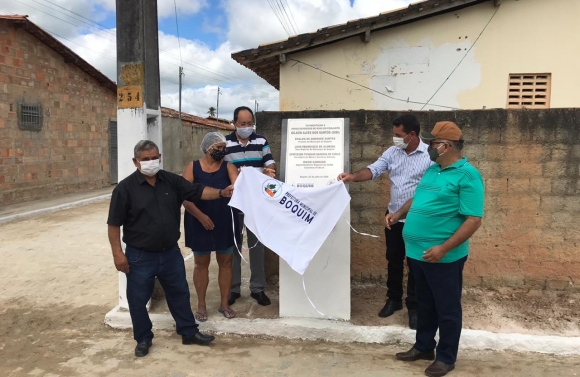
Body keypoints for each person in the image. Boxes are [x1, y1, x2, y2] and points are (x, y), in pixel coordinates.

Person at [107, 140, 234, 357]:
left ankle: (188, 332)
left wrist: (222, 193)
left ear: (160, 157)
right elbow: (113, 224)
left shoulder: (171, 181)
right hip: (139, 256)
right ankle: (144, 339)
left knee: (179, 293)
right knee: (137, 300)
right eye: (145, 159)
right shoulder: (125, 189)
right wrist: (118, 253)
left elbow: (198, 191)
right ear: (136, 162)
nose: (150, 162)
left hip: (170, 253)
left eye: (154, 157)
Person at [387, 121, 484, 377]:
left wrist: (443, 248)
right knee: (425, 304)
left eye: (432, 142)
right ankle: (424, 347)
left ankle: (446, 357)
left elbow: (473, 219)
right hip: (417, 253)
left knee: (447, 308)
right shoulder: (433, 170)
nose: (428, 146)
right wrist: (398, 214)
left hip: (444, 257)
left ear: (446, 146)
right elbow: (417, 197)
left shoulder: (468, 175)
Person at [337, 114, 432, 329]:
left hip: (419, 219)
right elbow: (374, 169)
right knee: (394, 259)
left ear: (412, 134)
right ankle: (394, 299)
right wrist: (352, 176)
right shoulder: (392, 153)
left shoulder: (429, 156)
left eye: (398, 135)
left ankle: (414, 306)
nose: (394, 138)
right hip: (393, 217)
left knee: (416, 262)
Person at [182, 132, 239, 321]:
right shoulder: (193, 167)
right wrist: (200, 215)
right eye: (218, 148)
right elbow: (183, 196)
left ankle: (224, 304)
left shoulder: (229, 167)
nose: (222, 151)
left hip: (224, 220)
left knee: (226, 262)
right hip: (198, 222)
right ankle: (201, 305)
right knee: (201, 264)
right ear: (208, 148)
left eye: (224, 148)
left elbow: (238, 188)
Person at [224, 106, 276, 307]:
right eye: (242, 124)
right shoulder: (226, 143)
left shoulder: (261, 141)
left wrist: (268, 171)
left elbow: (269, 165)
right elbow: (223, 169)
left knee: (256, 245)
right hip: (235, 200)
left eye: (249, 123)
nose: (246, 127)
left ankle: (257, 288)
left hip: (257, 201)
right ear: (234, 123)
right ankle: (233, 288)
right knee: (234, 244)